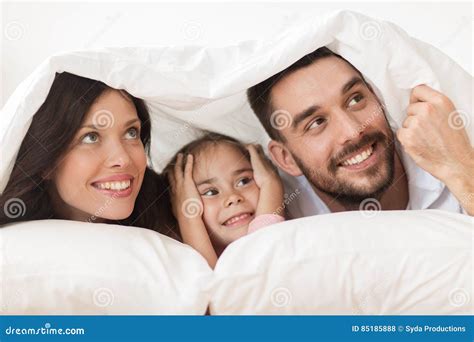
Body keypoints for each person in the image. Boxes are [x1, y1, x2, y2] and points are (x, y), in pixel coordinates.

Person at [247, 47, 473, 217]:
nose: (354, 131)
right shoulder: (283, 214)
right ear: (286, 159)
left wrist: (461, 170)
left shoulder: (451, 147)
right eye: (316, 123)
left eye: (355, 99)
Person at [0, 72, 176, 239]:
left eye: (131, 133)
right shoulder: (14, 244)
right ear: (46, 162)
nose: (122, 159)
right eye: (91, 137)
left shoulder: (170, 210)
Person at [164, 132, 285, 268]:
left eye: (244, 181)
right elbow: (213, 284)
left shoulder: (297, 234)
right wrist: (188, 218)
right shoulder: (181, 268)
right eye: (211, 192)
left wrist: (271, 183)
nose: (232, 197)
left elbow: (264, 253)